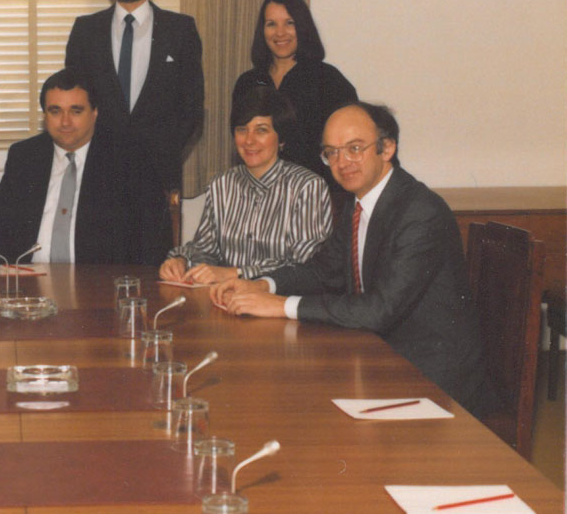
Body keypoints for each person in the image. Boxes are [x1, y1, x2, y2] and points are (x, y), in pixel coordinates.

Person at [212, 103, 495, 417]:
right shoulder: (358, 202)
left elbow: (379, 310)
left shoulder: (419, 212)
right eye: (331, 152)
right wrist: (263, 284)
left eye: (354, 148)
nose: (341, 162)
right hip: (382, 355)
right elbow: (325, 271)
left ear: (387, 148)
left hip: (432, 379)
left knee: (298, 409)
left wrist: (282, 305)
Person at [65, 0, 204, 193]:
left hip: (158, 175)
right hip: (97, 174)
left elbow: (191, 108)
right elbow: (73, 104)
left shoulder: (180, 30)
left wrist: (162, 154)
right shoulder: (85, 31)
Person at [0, 69, 170, 265]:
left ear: (95, 112)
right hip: (30, 283)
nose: (65, 122)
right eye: (55, 111)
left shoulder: (129, 158)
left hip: (100, 283)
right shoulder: (25, 156)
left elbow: (154, 240)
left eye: (76, 111)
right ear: (45, 116)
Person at [160, 87, 331, 284]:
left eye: (261, 130)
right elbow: (205, 249)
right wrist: (181, 260)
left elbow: (306, 263)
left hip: (279, 302)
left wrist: (238, 272)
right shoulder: (221, 185)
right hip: (225, 299)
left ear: (282, 139)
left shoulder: (308, 187)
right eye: (242, 130)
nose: (249, 140)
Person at [231, 0, 356, 191]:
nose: (280, 33)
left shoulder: (328, 80)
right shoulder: (247, 83)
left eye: (290, 23)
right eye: (271, 24)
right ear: (262, 30)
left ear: (303, 27)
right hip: (259, 193)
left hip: (316, 193)